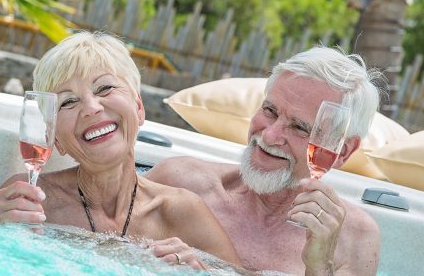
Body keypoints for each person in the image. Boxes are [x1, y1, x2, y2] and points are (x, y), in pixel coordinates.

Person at [0, 31, 240, 270]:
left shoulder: (179, 212)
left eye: (104, 88)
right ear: (55, 140)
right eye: (68, 101)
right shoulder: (28, 201)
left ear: (139, 108)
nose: (91, 107)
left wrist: (203, 270)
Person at [146, 47, 383, 275]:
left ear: (342, 151)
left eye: (300, 127)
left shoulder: (354, 237)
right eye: (270, 111)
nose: (269, 135)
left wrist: (320, 268)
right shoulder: (180, 182)